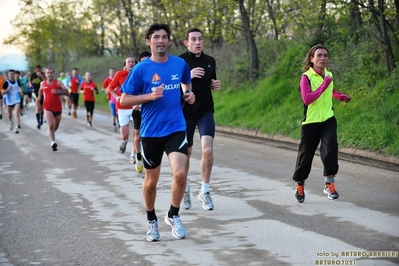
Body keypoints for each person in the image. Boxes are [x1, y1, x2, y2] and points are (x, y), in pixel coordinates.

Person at [120, 23, 195, 242]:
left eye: (164, 37)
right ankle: (151, 220)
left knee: (180, 173)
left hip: (176, 127)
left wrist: (188, 95)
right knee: (151, 182)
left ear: (168, 41)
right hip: (151, 132)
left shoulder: (180, 64)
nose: (160, 41)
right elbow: (124, 99)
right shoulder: (141, 69)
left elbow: (186, 84)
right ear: (148, 42)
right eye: (156, 37)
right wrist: (148, 97)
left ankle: (173, 214)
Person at [292, 44, 350, 203]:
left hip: (328, 120)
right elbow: (307, 98)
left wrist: (339, 96)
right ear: (312, 59)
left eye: (325, 55)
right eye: (319, 55)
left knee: (330, 149)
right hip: (311, 123)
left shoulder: (329, 74)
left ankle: (329, 184)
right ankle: (300, 184)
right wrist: (324, 84)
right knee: (306, 156)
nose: (323, 58)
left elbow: (330, 91)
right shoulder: (306, 77)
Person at [179, 28, 222, 211]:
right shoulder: (180, 62)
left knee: (207, 150)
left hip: (205, 111)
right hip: (185, 112)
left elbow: (211, 81)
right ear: (186, 42)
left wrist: (215, 84)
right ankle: (185, 188)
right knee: (186, 153)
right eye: (193, 39)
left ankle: (204, 191)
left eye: (200, 39)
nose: (197, 42)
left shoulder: (210, 61)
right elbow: (175, 85)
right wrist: (188, 76)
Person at [107, 58, 135, 155]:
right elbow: (110, 87)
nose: (131, 63)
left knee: (137, 133)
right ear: (125, 65)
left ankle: (134, 154)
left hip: (134, 107)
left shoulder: (138, 73)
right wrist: (116, 96)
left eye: (133, 62)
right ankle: (124, 141)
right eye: (129, 62)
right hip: (122, 107)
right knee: (124, 134)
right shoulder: (119, 74)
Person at [37, 68, 69, 151]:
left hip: (58, 108)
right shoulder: (43, 83)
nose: (49, 74)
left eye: (51, 73)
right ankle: (53, 143)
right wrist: (39, 97)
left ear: (53, 73)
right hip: (47, 107)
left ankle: (50, 133)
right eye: (48, 73)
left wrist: (58, 92)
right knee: (50, 124)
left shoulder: (58, 83)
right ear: (45, 74)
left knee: (55, 126)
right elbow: (40, 90)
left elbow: (67, 91)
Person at [130, 51, 151, 172]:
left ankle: (148, 157)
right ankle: (138, 156)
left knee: (149, 136)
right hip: (138, 110)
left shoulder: (156, 73)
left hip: (151, 111)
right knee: (138, 136)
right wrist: (135, 103)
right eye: (142, 61)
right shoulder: (135, 74)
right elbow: (128, 93)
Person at [102, 68, 118, 132]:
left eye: (114, 72)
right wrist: (107, 90)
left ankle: (119, 124)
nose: (113, 73)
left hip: (117, 97)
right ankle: (114, 124)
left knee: (118, 111)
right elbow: (102, 88)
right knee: (113, 111)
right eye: (111, 72)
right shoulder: (107, 80)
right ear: (109, 72)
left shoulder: (117, 79)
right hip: (110, 98)